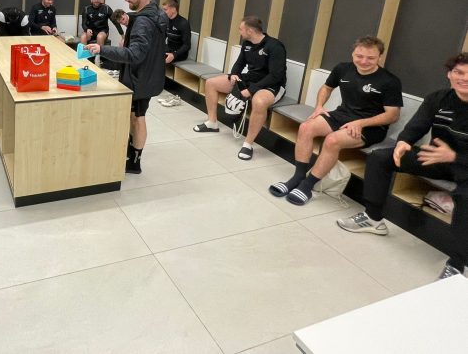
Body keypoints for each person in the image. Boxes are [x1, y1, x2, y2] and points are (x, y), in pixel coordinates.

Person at [337, 52, 468, 280]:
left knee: (466, 199)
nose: (464, 78)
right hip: (435, 158)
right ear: (449, 74)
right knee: (380, 157)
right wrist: (403, 143)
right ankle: (373, 218)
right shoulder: (438, 98)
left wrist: (454, 156)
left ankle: (457, 264)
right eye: (458, 72)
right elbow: (416, 126)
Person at [270, 37, 402, 205]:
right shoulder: (343, 69)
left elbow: (392, 115)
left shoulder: (389, 81)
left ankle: (307, 186)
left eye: (371, 58)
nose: (364, 61)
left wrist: (360, 123)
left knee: (332, 140)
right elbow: (326, 88)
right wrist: (319, 106)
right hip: (342, 115)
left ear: (380, 57)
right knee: (306, 127)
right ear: (353, 54)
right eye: (359, 56)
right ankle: (298, 177)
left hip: (371, 127)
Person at [86, 0, 167, 175]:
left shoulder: (143, 22)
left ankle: (134, 162)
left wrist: (101, 49)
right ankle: (131, 153)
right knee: (134, 115)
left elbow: (134, 54)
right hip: (148, 75)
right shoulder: (156, 12)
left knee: (138, 117)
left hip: (141, 79)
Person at [193, 16, 287, 161]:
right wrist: (233, 75)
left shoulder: (275, 46)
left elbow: (276, 75)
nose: (239, 32)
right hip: (251, 78)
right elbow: (239, 63)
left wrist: (251, 90)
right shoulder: (247, 44)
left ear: (250, 31)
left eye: (241, 29)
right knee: (211, 83)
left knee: (259, 102)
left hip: (272, 85)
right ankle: (212, 122)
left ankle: (248, 144)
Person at [158, 0, 192, 107]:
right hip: (169, 49)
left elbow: (187, 45)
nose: (164, 12)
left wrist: (174, 55)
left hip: (180, 53)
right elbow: (163, 37)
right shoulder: (166, 21)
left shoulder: (183, 23)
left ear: (173, 9)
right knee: (151, 54)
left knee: (159, 59)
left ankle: (158, 87)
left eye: (165, 9)